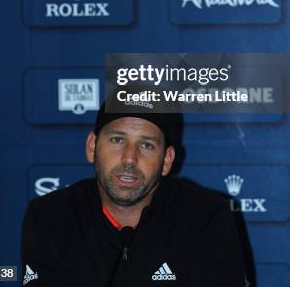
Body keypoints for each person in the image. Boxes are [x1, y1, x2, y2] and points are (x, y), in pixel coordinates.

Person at [21, 90, 246, 286]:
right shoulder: (50, 216)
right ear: (92, 147)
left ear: (167, 160)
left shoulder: (206, 217)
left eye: (146, 145)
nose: (130, 158)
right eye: (117, 140)